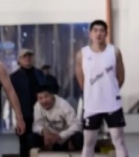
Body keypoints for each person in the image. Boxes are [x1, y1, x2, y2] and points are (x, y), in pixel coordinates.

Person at [75, 20, 129, 157]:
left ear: (106, 33)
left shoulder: (114, 52)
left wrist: (111, 91)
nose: (98, 34)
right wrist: (91, 92)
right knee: (88, 143)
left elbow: (121, 76)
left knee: (119, 141)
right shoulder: (82, 54)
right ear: (90, 33)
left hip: (112, 104)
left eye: (101, 31)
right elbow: (81, 80)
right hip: (91, 105)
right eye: (95, 30)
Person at [11, 49, 46, 157]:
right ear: (19, 60)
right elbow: (11, 98)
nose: (27, 58)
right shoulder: (14, 77)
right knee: (24, 143)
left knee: (40, 141)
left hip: (40, 114)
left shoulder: (39, 74)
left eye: (29, 55)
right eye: (24, 56)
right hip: (23, 115)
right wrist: (17, 117)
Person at [27, 85, 84, 152]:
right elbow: (36, 126)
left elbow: (77, 126)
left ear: (52, 95)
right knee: (31, 138)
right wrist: (43, 131)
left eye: (46, 97)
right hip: (48, 139)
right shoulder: (37, 106)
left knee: (78, 137)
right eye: (40, 98)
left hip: (64, 139)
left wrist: (60, 136)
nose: (44, 101)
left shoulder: (64, 105)